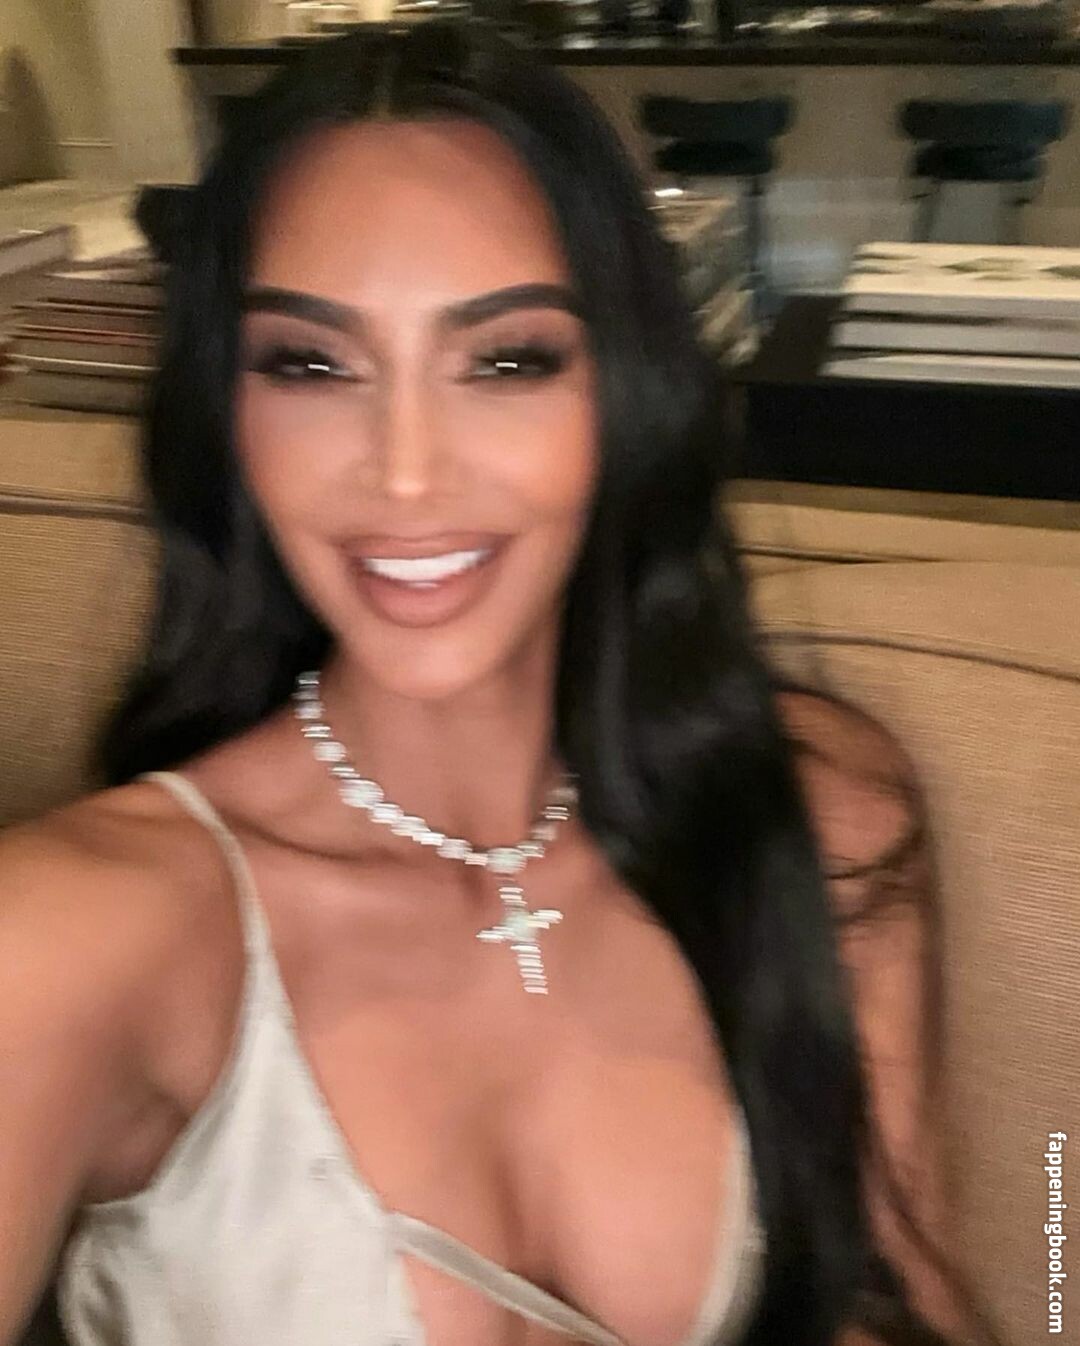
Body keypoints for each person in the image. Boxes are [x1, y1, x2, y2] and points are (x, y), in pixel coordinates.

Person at [0, 21, 998, 1346]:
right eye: (311, 363)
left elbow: (912, 1300)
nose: (407, 471)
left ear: (625, 391)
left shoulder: (817, 815)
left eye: (508, 358)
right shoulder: (73, 933)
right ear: (226, 416)